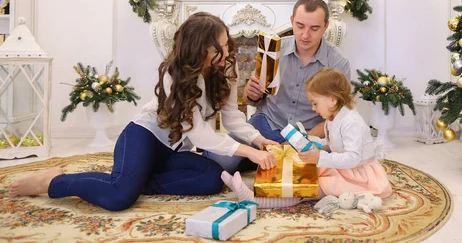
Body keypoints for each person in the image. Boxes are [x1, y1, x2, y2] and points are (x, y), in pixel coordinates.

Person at [9, 12, 278, 211]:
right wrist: (249, 152)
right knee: (118, 198)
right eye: (220, 45)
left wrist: (258, 140)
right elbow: (199, 134)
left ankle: (136, 180)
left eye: (226, 42)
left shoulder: (226, 69)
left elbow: (231, 117)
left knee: (211, 178)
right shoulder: (175, 74)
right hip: (144, 137)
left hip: (174, 150)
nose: (227, 49)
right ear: (201, 49)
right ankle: (53, 181)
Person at [203, 0, 350, 173]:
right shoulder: (273, 49)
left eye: (314, 28)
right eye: (300, 26)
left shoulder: (338, 63)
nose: (305, 35)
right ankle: (262, 158)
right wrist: (251, 94)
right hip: (266, 124)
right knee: (219, 162)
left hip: (309, 134)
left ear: (326, 27)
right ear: (292, 21)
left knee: (309, 172)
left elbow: (336, 118)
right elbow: (252, 99)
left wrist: (299, 139)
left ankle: (262, 161)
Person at [221, 68, 392, 208]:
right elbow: (333, 143)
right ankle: (255, 186)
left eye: (315, 103)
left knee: (308, 187)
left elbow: (352, 157)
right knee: (303, 170)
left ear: (332, 100)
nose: (313, 108)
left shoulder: (351, 122)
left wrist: (320, 156)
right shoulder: (333, 117)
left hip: (357, 174)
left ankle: (255, 199)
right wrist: (317, 146)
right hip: (342, 166)